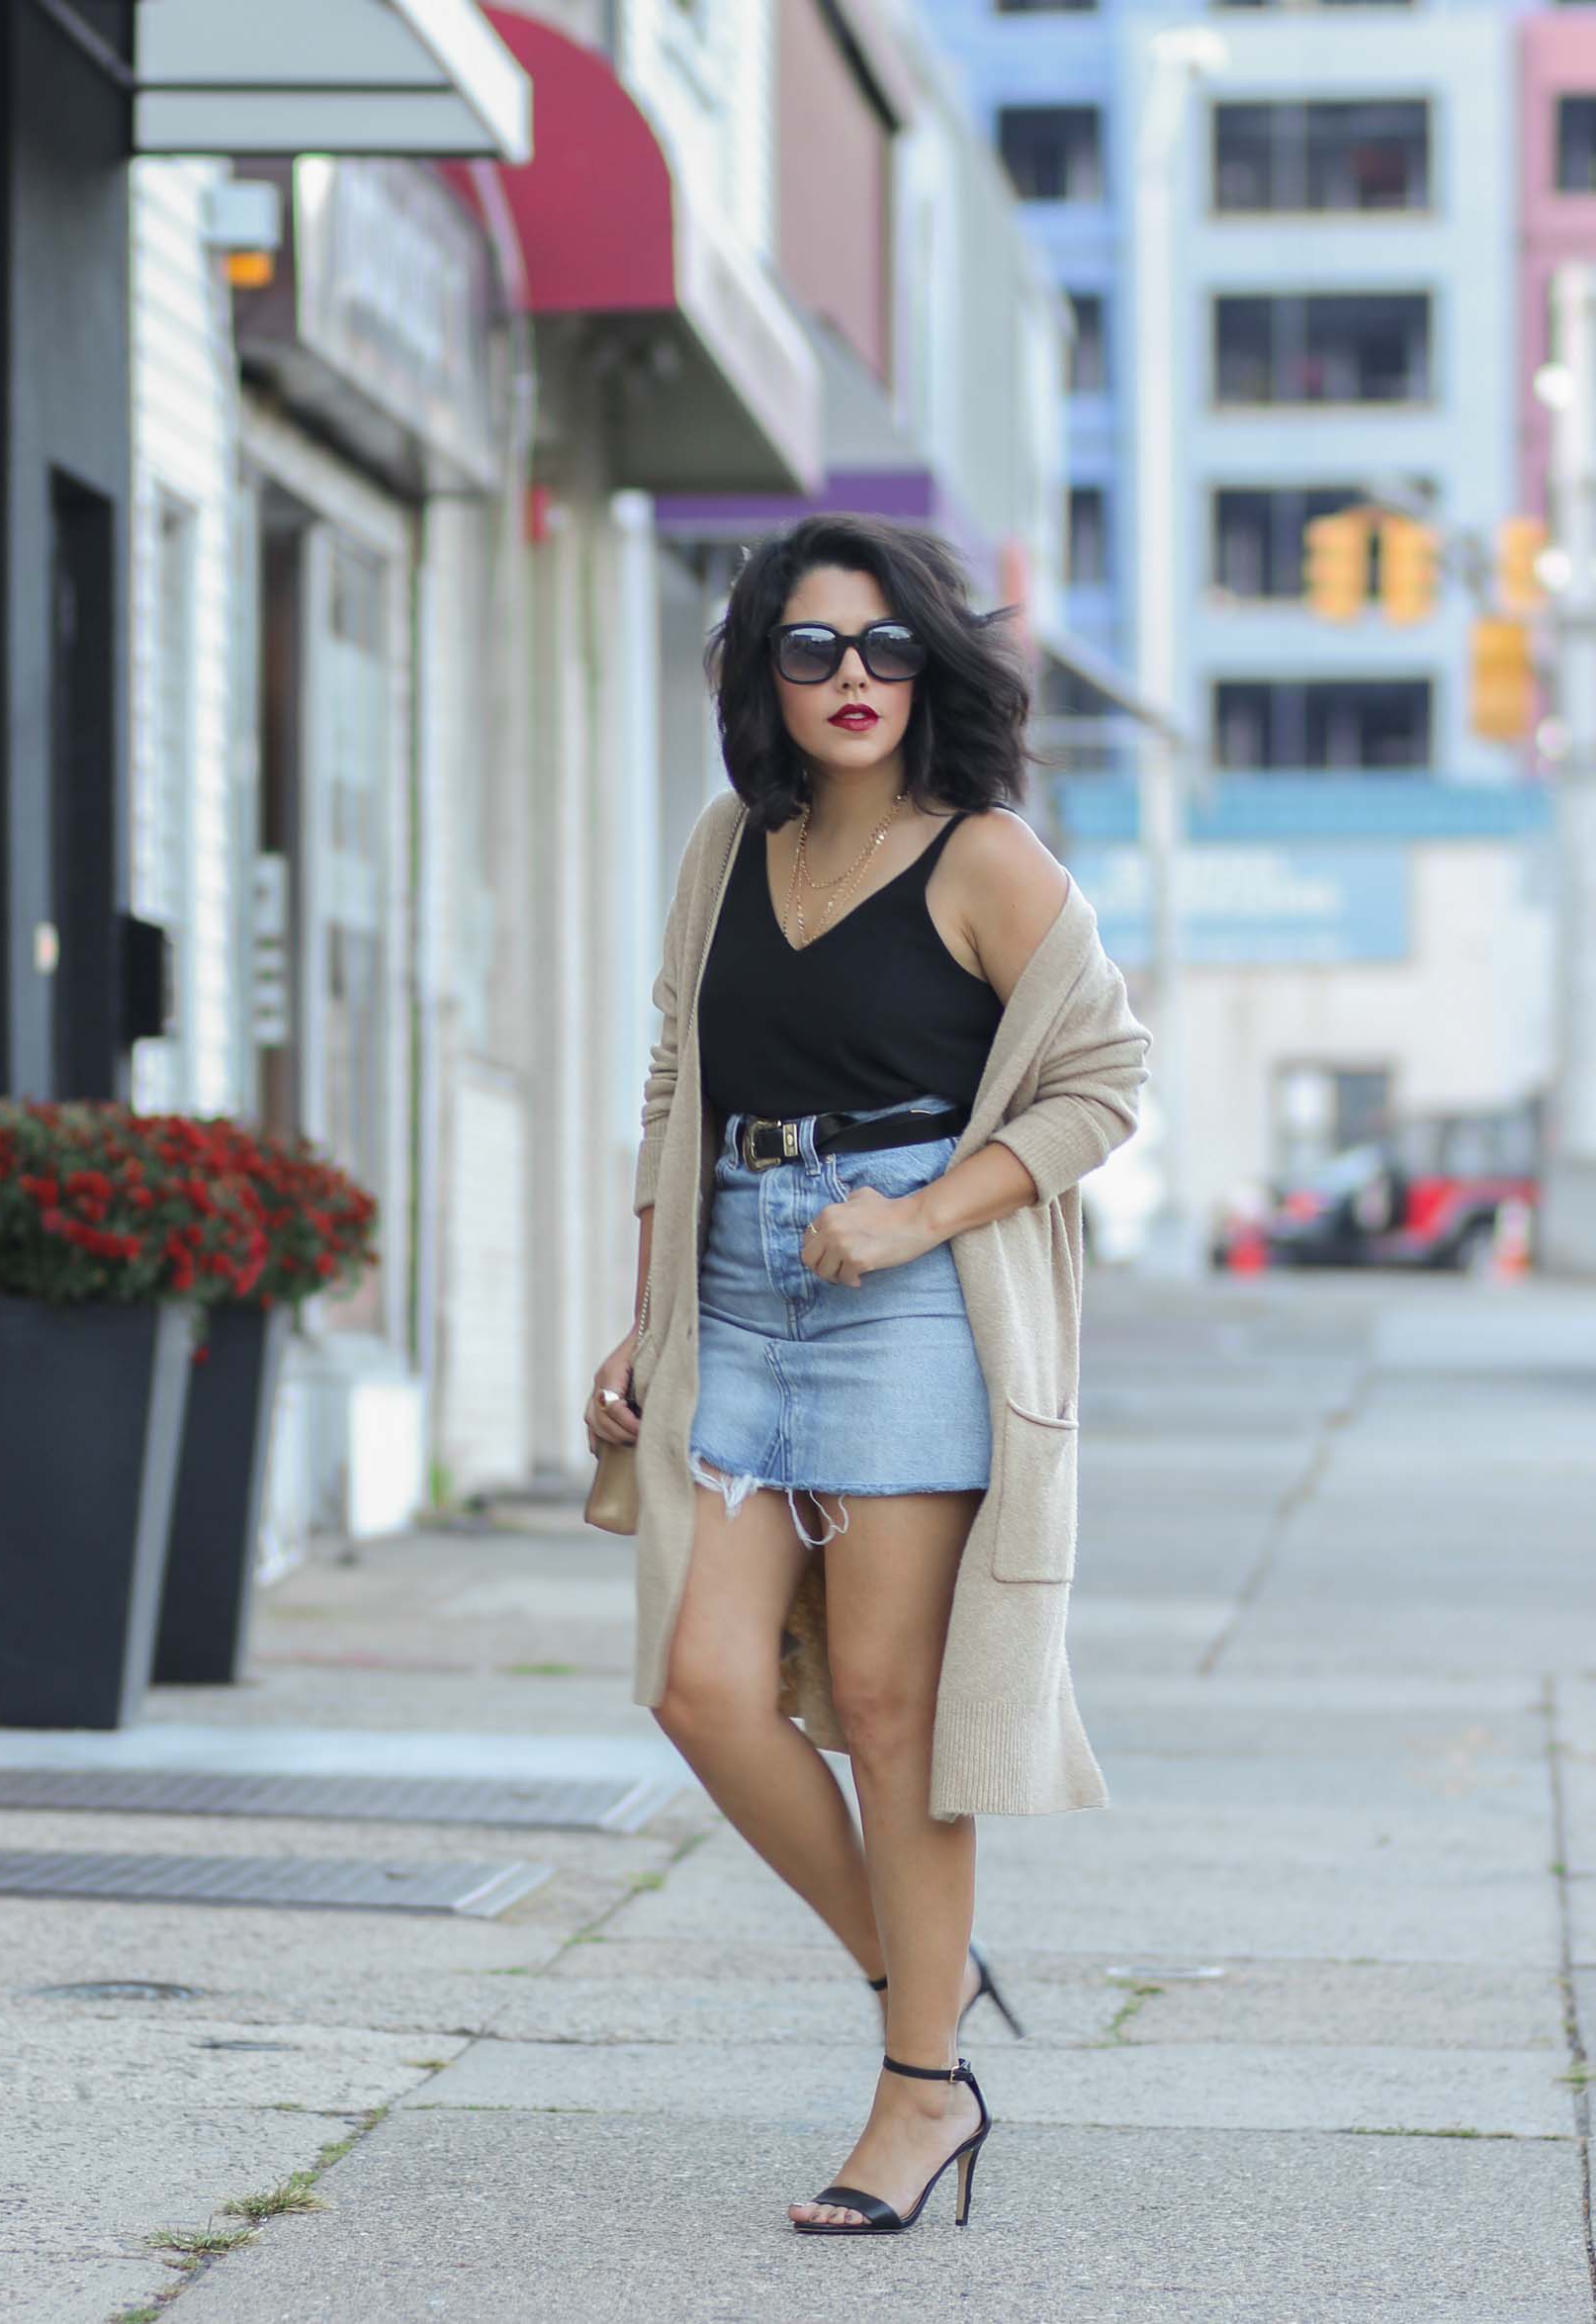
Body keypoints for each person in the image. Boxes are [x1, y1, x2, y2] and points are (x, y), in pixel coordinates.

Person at [584, 512, 1151, 2238]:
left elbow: (1102, 1086)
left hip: (909, 1302)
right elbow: (676, 1075)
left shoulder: (987, 859)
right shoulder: (724, 847)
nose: (853, 680)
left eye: (887, 647)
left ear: (932, 669)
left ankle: (916, 2097)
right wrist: (644, 1313)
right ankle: (930, 1988)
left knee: (896, 1716)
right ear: (764, 670)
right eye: (815, 647)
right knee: (700, 1685)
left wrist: (916, 1218)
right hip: (739, 1281)